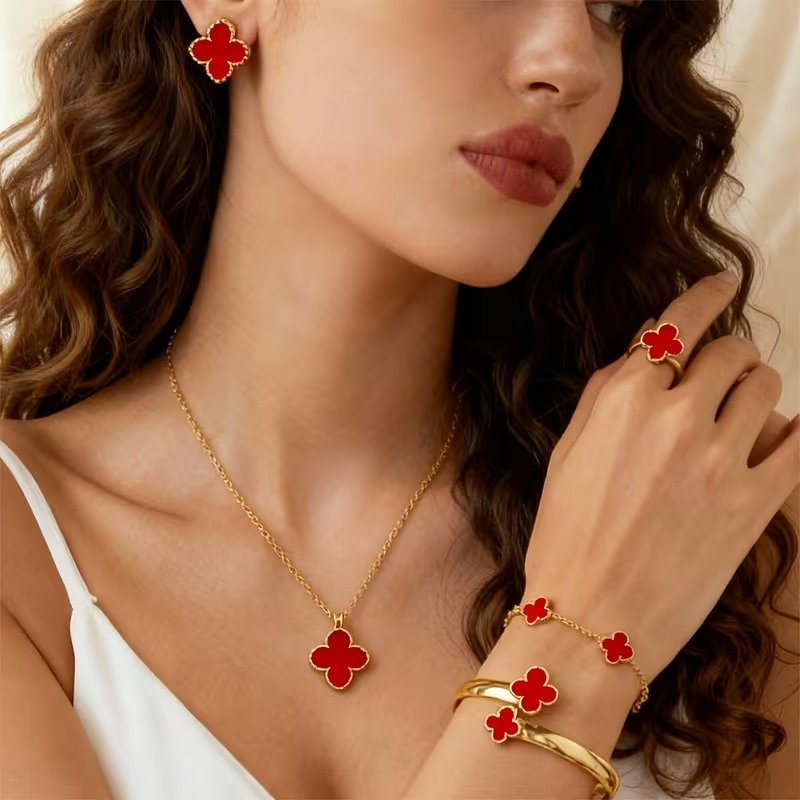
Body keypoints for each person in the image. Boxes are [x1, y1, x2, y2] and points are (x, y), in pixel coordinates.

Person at [0, 1, 797, 798]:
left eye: (613, 10)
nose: (575, 64)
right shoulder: (21, 559)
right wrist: (578, 643)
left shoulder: (709, 521)